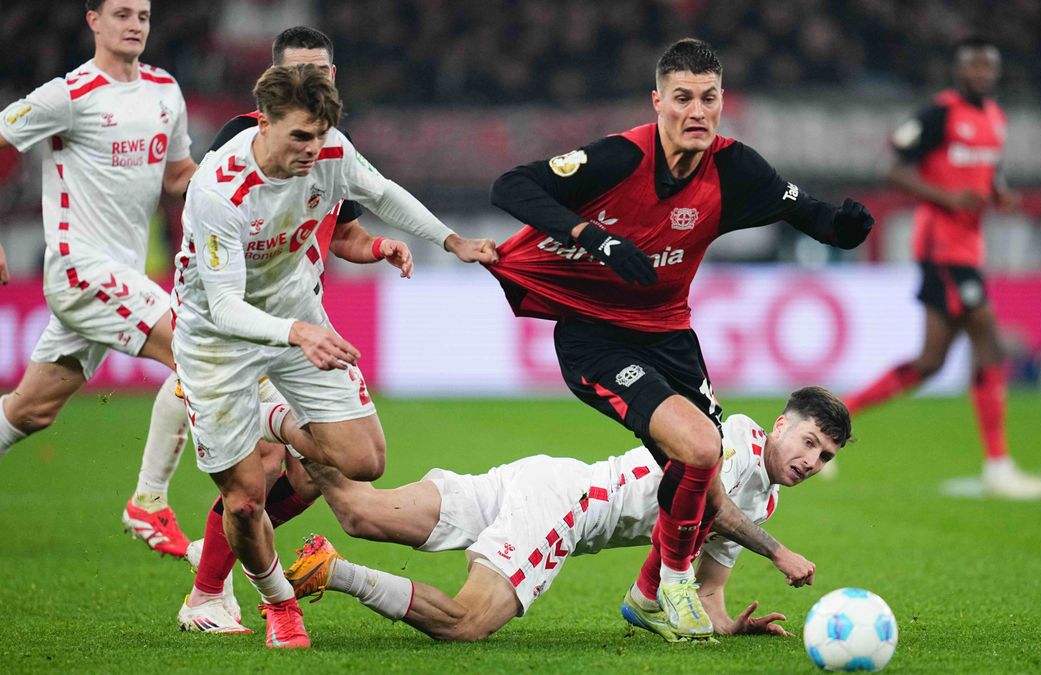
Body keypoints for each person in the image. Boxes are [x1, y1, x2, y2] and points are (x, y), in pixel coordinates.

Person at [484, 38, 874, 640]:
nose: (697, 111)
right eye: (683, 98)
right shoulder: (619, 158)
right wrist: (597, 237)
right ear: (658, 101)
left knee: (703, 461)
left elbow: (805, 209)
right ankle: (670, 587)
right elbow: (511, 187)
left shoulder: (735, 168)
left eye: (709, 98)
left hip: (668, 334)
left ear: (722, 103)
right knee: (699, 449)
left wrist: (840, 230)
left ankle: (651, 595)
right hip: (595, 336)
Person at [173, 64, 496, 648]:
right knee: (245, 502)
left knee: (364, 461)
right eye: (299, 135)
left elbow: (383, 192)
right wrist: (296, 332)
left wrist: (451, 240)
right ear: (263, 122)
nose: (312, 149)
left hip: (298, 318)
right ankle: (278, 604)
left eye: (320, 135)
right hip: (218, 344)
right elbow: (221, 305)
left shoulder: (330, 152)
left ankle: (272, 417)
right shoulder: (218, 189)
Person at [279, 386, 848, 642]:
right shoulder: (738, 438)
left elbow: (707, 591)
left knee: (361, 512)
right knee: (466, 623)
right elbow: (706, 502)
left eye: (823, 455)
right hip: (567, 508)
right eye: (808, 441)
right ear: (779, 425)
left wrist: (731, 625)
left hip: (548, 477)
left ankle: (284, 418)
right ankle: (335, 570)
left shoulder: (761, 499)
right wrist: (776, 551)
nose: (811, 460)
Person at [0, 0, 199, 557]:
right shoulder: (68, 95)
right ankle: (150, 502)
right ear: (93, 20)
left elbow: (180, 174)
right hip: (80, 271)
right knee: (200, 352)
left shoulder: (165, 91)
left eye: (143, 15)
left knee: (31, 410)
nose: (135, 24)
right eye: (122, 14)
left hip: (120, 277)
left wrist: (239, 181)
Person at [841, 36, 1041, 500]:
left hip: (968, 251)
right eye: (972, 66)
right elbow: (894, 169)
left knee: (931, 363)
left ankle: (836, 414)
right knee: (989, 342)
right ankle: (998, 465)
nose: (980, 74)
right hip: (941, 249)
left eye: (987, 66)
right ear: (958, 71)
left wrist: (1000, 193)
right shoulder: (939, 114)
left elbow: (987, 172)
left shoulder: (995, 119)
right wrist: (947, 198)